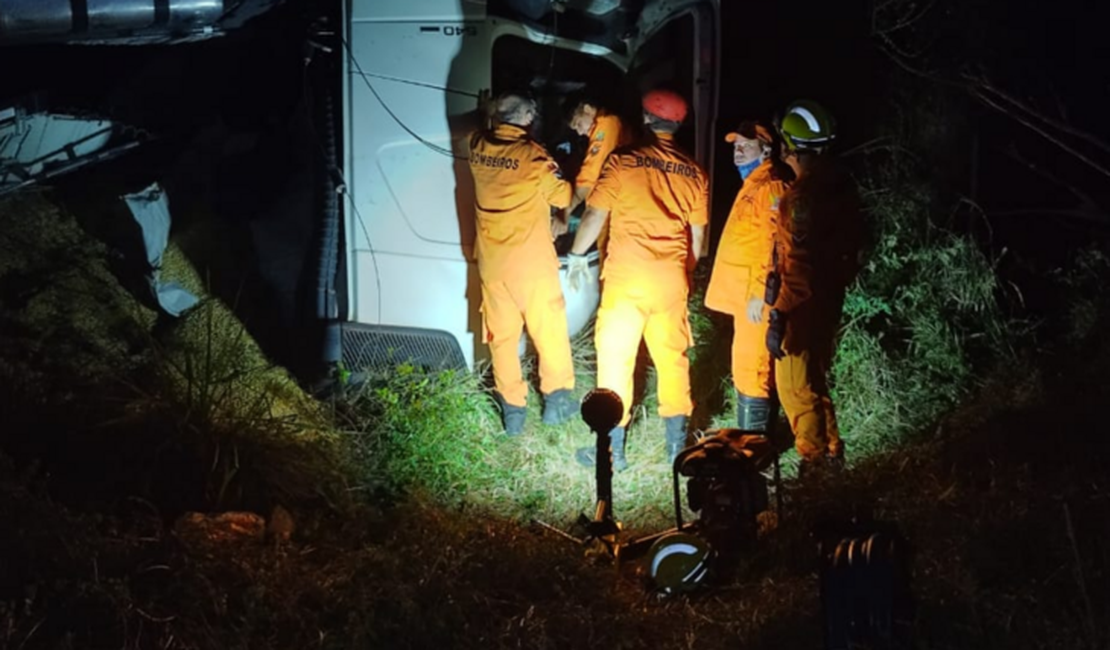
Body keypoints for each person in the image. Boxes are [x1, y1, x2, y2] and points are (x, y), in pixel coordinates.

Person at [567, 88, 709, 470]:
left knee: (615, 358)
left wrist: (577, 256)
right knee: (673, 359)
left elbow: (594, 215)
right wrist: (683, 274)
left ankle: (612, 451)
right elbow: (697, 239)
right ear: (679, 125)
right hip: (670, 280)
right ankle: (676, 449)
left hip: (627, 280)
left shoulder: (623, 160)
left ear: (646, 119)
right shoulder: (696, 173)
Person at [469, 92, 578, 435]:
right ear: (528, 117)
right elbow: (563, 195)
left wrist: (487, 114)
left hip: (492, 264)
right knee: (548, 331)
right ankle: (556, 401)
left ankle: (513, 412)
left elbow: (483, 129)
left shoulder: (478, 146)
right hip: (531, 265)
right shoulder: (534, 157)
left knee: (501, 338)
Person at [765, 99, 863, 474]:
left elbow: (798, 267)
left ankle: (815, 463)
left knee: (795, 385)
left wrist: (779, 313)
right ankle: (833, 453)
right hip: (827, 299)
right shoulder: (838, 189)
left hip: (801, 305)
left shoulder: (802, 198)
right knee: (815, 380)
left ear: (791, 146)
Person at [704, 120, 790, 431]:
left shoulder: (771, 186)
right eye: (736, 146)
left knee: (752, 366)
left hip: (756, 295)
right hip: (745, 294)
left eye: (746, 146)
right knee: (746, 362)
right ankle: (750, 439)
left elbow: (774, 243)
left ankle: (753, 445)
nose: (738, 151)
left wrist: (759, 292)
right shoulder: (753, 183)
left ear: (765, 150)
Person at [552, 95, 627, 239]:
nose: (580, 132)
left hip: (614, 208)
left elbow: (589, 175)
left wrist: (565, 211)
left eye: (578, 124)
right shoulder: (604, 126)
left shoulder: (606, 125)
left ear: (587, 109)